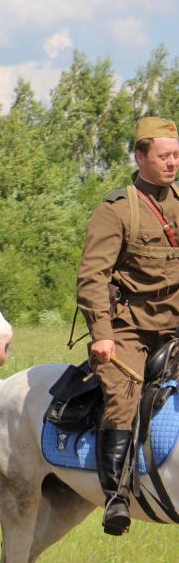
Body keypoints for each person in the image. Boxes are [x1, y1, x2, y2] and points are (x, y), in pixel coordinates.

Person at [77, 116, 179, 535]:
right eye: (164, 156)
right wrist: (102, 333)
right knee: (123, 396)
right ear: (140, 157)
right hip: (131, 327)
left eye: (177, 155)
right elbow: (91, 276)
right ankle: (116, 495)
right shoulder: (116, 210)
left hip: (176, 324)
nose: (173, 163)